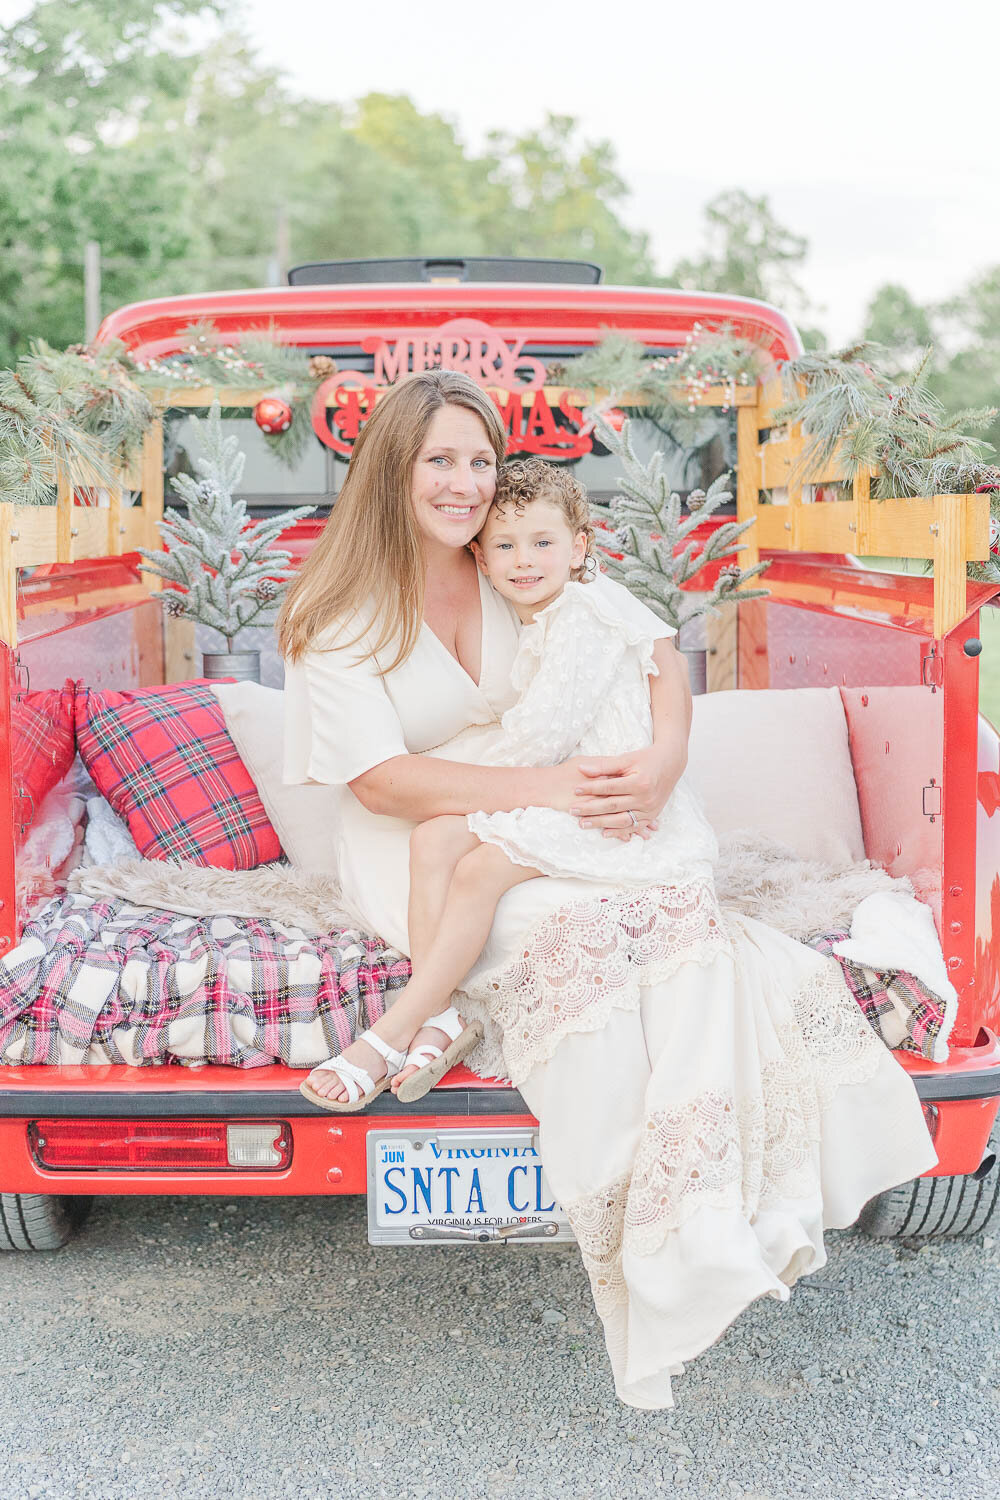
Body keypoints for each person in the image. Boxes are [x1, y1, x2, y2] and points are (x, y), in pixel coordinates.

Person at [280, 369, 936, 1409]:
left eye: (478, 460)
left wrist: (664, 761)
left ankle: (684, 1201)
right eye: (437, 460)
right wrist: (555, 791)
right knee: (550, 917)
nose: (462, 483)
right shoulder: (341, 609)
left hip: (546, 804)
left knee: (648, 928)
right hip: (417, 828)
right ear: (387, 470)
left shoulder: (512, 563)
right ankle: (448, 1022)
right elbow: (378, 780)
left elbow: (641, 651)